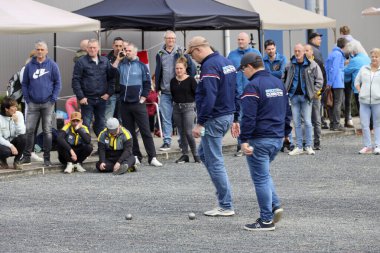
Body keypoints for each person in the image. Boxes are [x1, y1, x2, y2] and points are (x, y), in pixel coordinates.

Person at [186, 36, 236, 216]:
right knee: (203, 154)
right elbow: (234, 89)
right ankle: (224, 196)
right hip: (226, 115)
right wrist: (235, 117)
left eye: (192, 55)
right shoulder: (226, 61)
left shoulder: (209, 66)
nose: (193, 59)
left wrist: (200, 123)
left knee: (215, 161)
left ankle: (225, 204)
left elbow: (209, 96)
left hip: (214, 118)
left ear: (198, 50)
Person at [237, 52, 288, 231]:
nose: (243, 73)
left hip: (259, 139)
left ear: (250, 67)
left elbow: (248, 118)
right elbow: (286, 110)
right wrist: (286, 132)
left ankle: (266, 220)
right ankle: (274, 205)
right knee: (264, 174)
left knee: (260, 178)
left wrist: (243, 140)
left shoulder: (252, 87)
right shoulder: (278, 82)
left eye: (243, 69)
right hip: (276, 138)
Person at [112, 43, 162, 167]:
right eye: (125, 50)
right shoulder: (122, 65)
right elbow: (111, 72)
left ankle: (152, 157)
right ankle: (136, 156)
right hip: (124, 104)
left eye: (129, 50)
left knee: (145, 131)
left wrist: (143, 97)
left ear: (135, 52)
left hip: (138, 104)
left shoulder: (141, 66)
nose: (126, 52)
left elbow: (147, 83)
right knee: (130, 133)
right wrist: (118, 59)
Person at [20, 40, 62, 166]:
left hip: (48, 103)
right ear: (35, 50)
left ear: (46, 51)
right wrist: (27, 99)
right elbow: (25, 83)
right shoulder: (29, 66)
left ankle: (47, 158)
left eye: (42, 49)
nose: (39, 51)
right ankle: (27, 156)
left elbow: (58, 83)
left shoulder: (52, 65)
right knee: (29, 130)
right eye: (38, 49)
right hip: (32, 103)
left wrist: (53, 98)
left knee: (47, 131)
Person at [155, 30, 196, 151]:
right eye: (168, 38)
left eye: (173, 38)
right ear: (165, 39)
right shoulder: (160, 53)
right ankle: (167, 141)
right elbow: (158, 71)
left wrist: (188, 80)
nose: (170, 41)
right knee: (166, 118)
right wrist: (157, 87)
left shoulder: (181, 51)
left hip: (179, 91)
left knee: (181, 119)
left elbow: (191, 69)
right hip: (165, 91)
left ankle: (182, 143)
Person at [283, 43, 323, 156]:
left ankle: (308, 146)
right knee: (296, 123)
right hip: (294, 97)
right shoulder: (289, 65)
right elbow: (283, 78)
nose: (297, 53)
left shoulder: (312, 64)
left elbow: (319, 80)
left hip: (306, 97)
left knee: (308, 122)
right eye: (295, 51)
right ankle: (299, 146)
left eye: (299, 51)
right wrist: (286, 91)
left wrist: (313, 92)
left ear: (303, 52)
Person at [72, 38, 115, 137]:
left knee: (101, 124)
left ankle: (102, 148)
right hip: (87, 99)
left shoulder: (105, 61)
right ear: (86, 49)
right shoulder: (81, 62)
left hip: (101, 99)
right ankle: (86, 148)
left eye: (94, 47)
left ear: (98, 48)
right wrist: (81, 97)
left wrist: (109, 93)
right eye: (90, 47)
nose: (92, 49)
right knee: (86, 124)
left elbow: (111, 78)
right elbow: (75, 80)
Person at [228, 32, 261, 157]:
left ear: (248, 41)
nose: (240, 41)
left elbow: (261, 71)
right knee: (239, 120)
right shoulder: (232, 55)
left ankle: (254, 144)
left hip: (253, 92)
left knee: (253, 118)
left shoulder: (256, 54)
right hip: (237, 93)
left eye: (242, 39)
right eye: (238, 39)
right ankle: (240, 145)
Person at [170, 57, 200, 164]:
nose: (178, 70)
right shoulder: (173, 81)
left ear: (185, 68)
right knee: (181, 132)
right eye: (177, 68)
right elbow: (173, 95)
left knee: (188, 132)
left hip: (188, 107)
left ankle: (196, 154)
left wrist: (197, 107)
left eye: (180, 68)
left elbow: (197, 94)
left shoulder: (191, 80)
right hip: (176, 108)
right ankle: (185, 154)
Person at [354, 48, 380, 154]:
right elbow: (356, 82)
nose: (374, 58)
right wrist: (360, 92)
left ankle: (378, 145)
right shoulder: (364, 68)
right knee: (364, 124)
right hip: (364, 102)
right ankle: (368, 146)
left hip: (377, 102)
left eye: (376, 56)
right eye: (372, 56)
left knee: (377, 124)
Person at [305, 44, 327, 150]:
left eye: (307, 50)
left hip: (315, 96)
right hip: (304, 96)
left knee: (316, 119)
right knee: (305, 119)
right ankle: (306, 141)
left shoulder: (317, 63)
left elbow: (323, 78)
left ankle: (317, 141)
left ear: (312, 52)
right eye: (304, 50)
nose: (305, 52)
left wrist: (319, 92)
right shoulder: (301, 63)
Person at [325, 38, 348, 131]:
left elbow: (328, 68)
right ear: (344, 46)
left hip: (332, 81)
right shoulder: (338, 55)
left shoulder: (332, 53)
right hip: (337, 82)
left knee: (332, 103)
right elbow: (335, 69)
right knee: (337, 103)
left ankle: (332, 123)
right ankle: (336, 124)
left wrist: (329, 81)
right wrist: (330, 82)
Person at [344, 41, 371, 113]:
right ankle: (371, 124)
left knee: (362, 110)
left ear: (352, 51)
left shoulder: (354, 60)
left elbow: (346, 71)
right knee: (369, 110)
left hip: (358, 89)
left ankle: (366, 124)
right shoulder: (367, 57)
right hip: (368, 87)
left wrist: (345, 64)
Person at [0, 97, 26, 170]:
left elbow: (22, 132)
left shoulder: (19, 114)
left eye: (16, 107)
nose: (15, 109)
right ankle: (2, 160)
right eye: (13, 107)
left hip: (12, 142)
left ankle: (17, 161)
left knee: (23, 138)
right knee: (6, 152)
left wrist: (16, 122)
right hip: (2, 144)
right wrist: (11, 146)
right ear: (6, 109)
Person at [105, 37, 124, 122]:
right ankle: (106, 135)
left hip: (123, 92)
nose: (118, 48)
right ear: (113, 46)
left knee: (122, 118)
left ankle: (122, 135)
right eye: (116, 46)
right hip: (111, 92)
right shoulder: (106, 59)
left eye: (120, 46)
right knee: (108, 117)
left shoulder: (126, 58)